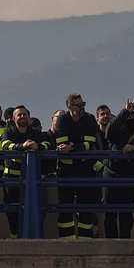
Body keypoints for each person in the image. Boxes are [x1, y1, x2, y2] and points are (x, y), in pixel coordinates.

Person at [50, 93, 101, 240]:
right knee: (65, 208)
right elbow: (61, 143)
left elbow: (89, 143)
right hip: (66, 170)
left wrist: (72, 146)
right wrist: (77, 145)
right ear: (70, 106)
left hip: (85, 169)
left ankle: (86, 241)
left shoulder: (89, 119)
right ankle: (67, 241)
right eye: (79, 105)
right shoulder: (62, 120)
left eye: (83, 104)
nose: (82, 107)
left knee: (86, 208)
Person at [102, 101, 134, 239]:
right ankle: (111, 243)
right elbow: (109, 130)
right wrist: (125, 111)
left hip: (130, 177)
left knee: (126, 213)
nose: (129, 122)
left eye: (132, 118)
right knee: (110, 213)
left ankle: (125, 241)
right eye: (127, 119)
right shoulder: (116, 133)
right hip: (111, 176)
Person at [0, 106, 50, 238]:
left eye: (24, 114)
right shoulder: (8, 132)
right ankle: (15, 238)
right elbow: (6, 145)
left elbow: (48, 144)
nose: (22, 117)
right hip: (12, 180)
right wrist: (23, 146)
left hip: (32, 180)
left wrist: (38, 146)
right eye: (19, 115)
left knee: (35, 209)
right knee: (12, 211)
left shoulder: (35, 133)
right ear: (14, 118)